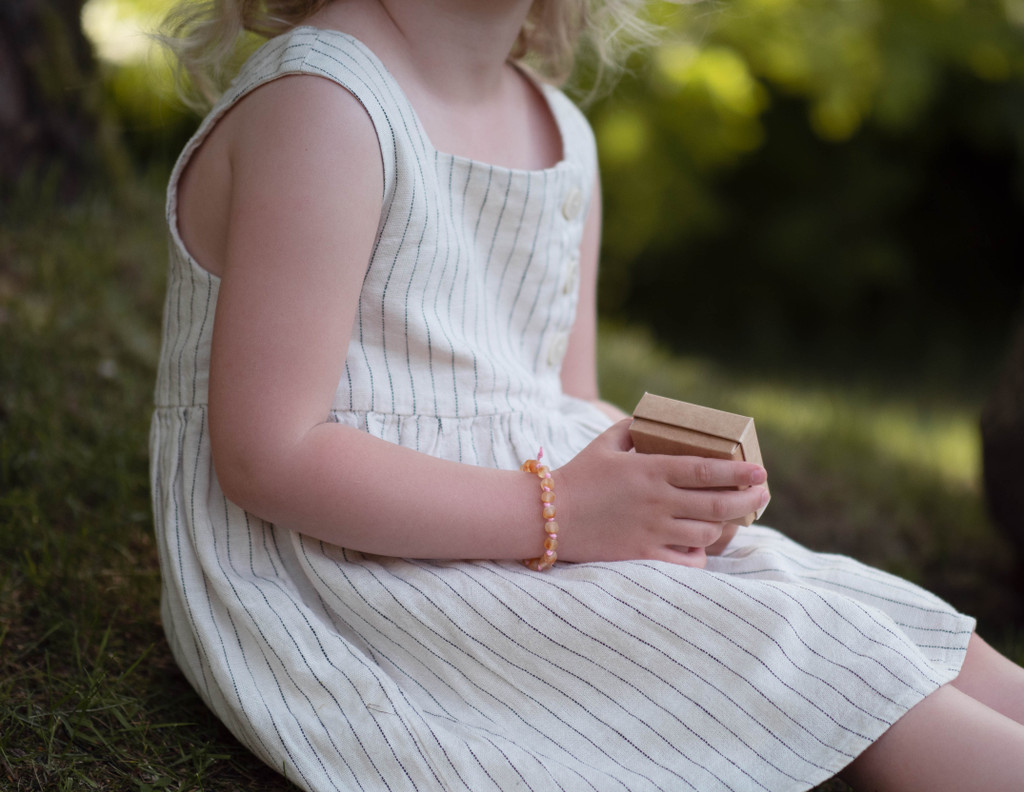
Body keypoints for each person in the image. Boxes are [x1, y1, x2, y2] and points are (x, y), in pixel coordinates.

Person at [150, 1, 1024, 789]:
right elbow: (271, 454)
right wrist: (560, 507)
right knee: (809, 655)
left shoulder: (559, 128)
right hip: (357, 569)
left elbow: (562, 400)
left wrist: (669, 489)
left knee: (893, 623)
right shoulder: (325, 104)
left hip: (536, 522)